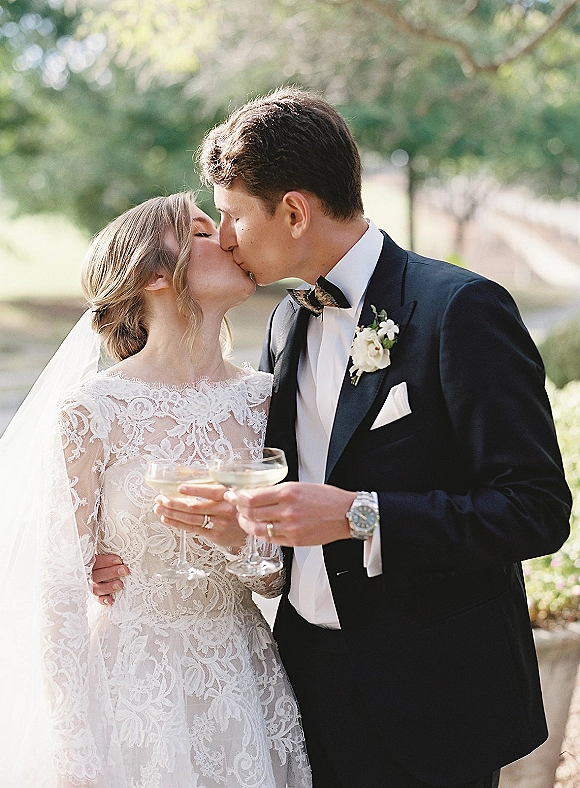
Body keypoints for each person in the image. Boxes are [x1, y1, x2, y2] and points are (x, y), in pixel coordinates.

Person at [92, 89, 571, 788]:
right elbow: (270, 485)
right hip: (303, 690)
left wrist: (359, 513)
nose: (224, 238)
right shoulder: (288, 323)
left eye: (232, 217)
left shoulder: (459, 309)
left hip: (431, 698)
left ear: (293, 210)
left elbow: (534, 509)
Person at [0, 192, 312, 788]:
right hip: (133, 692)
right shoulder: (93, 411)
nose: (226, 237)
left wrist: (238, 539)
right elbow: (59, 603)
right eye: (199, 232)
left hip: (243, 681)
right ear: (152, 277)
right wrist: (79, 758)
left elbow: (278, 574)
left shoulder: (267, 400)